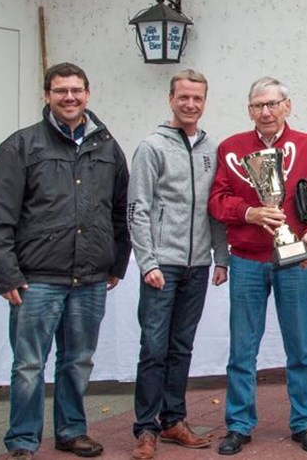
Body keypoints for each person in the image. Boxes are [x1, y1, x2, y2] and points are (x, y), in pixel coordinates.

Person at [0, 62, 131, 460]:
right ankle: (23, 440)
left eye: (77, 90)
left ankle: (71, 431)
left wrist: (117, 262)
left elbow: (120, 211)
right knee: (29, 364)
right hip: (37, 279)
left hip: (91, 278)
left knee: (78, 361)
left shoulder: (106, 146)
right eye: (61, 90)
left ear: (88, 93)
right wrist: (5, 275)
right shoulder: (21, 146)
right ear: (47, 95)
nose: (70, 97)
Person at [208, 77, 307, 456]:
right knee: (242, 348)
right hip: (248, 259)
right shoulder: (231, 148)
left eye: (272, 104)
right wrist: (249, 212)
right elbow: (217, 202)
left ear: (288, 105)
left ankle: (304, 423)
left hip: (296, 259)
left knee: (300, 346)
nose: (265, 112)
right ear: (249, 109)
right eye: (257, 106)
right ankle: (239, 425)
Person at [127, 70, 230, 459]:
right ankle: (145, 427)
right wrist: (147, 261)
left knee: (181, 346)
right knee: (153, 347)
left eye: (197, 99)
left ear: (205, 102)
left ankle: (173, 419)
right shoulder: (151, 147)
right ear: (171, 99)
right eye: (183, 97)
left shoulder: (212, 149)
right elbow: (137, 209)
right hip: (162, 266)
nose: (190, 104)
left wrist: (221, 257)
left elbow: (216, 209)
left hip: (198, 266)